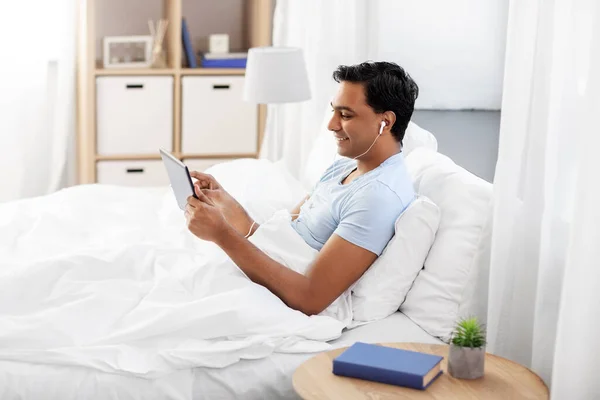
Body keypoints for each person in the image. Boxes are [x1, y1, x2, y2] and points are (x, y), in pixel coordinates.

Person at [184, 61, 419, 316]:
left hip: (280, 300)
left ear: (385, 122)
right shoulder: (343, 167)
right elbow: (279, 240)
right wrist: (227, 207)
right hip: (261, 276)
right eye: (333, 111)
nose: (331, 125)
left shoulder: (377, 198)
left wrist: (221, 234)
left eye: (346, 115)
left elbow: (310, 298)